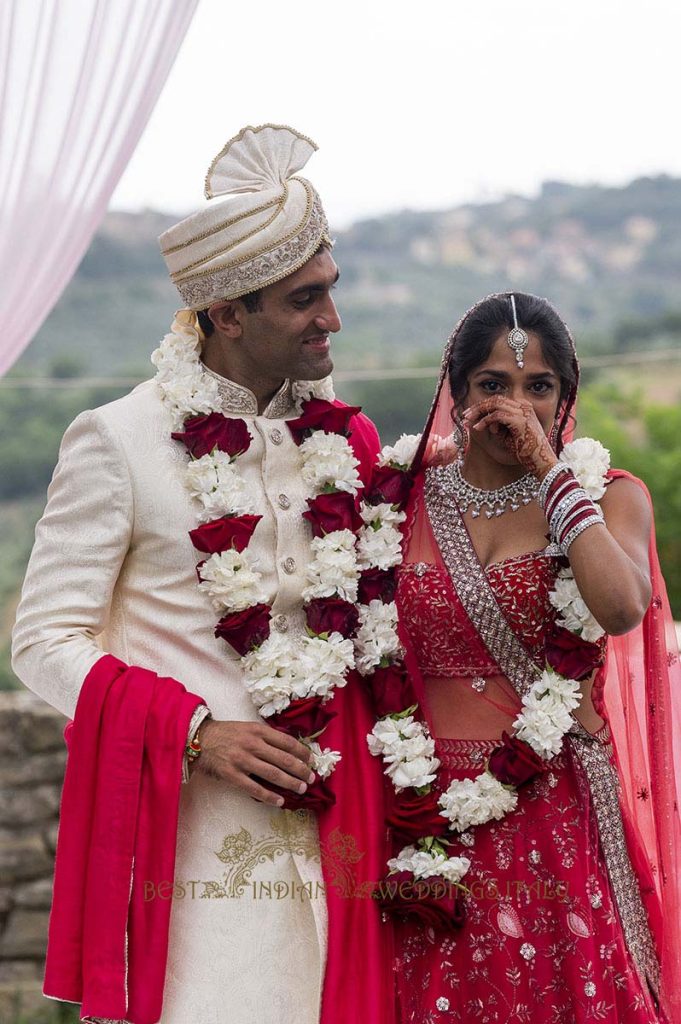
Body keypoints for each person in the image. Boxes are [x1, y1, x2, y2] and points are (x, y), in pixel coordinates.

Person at [11, 124, 392, 1024]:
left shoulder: (345, 441)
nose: (331, 320)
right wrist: (193, 732)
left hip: (349, 846)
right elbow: (42, 642)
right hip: (196, 859)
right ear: (227, 314)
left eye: (330, 291)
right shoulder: (117, 440)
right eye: (304, 300)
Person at [364, 293, 681, 1022]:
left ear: (564, 396)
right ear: (457, 393)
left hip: (552, 800)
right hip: (421, 808)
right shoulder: (397, 500)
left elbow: (621, 608)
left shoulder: (607, 497)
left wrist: (548, 469)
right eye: (492, 384)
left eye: (538, 386)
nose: (516, 403)